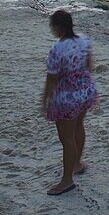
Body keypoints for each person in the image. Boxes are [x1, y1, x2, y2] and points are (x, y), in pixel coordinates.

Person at [42, 10, 98, 196]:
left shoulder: (57, 48)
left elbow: (51, 78)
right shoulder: (84, 39)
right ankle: (76, 164)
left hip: (67, 96)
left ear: (58, 28)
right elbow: (90, 66)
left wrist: (45, 99)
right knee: (78, 128)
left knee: (66, 138)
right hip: (85, 90)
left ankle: (67, 181)